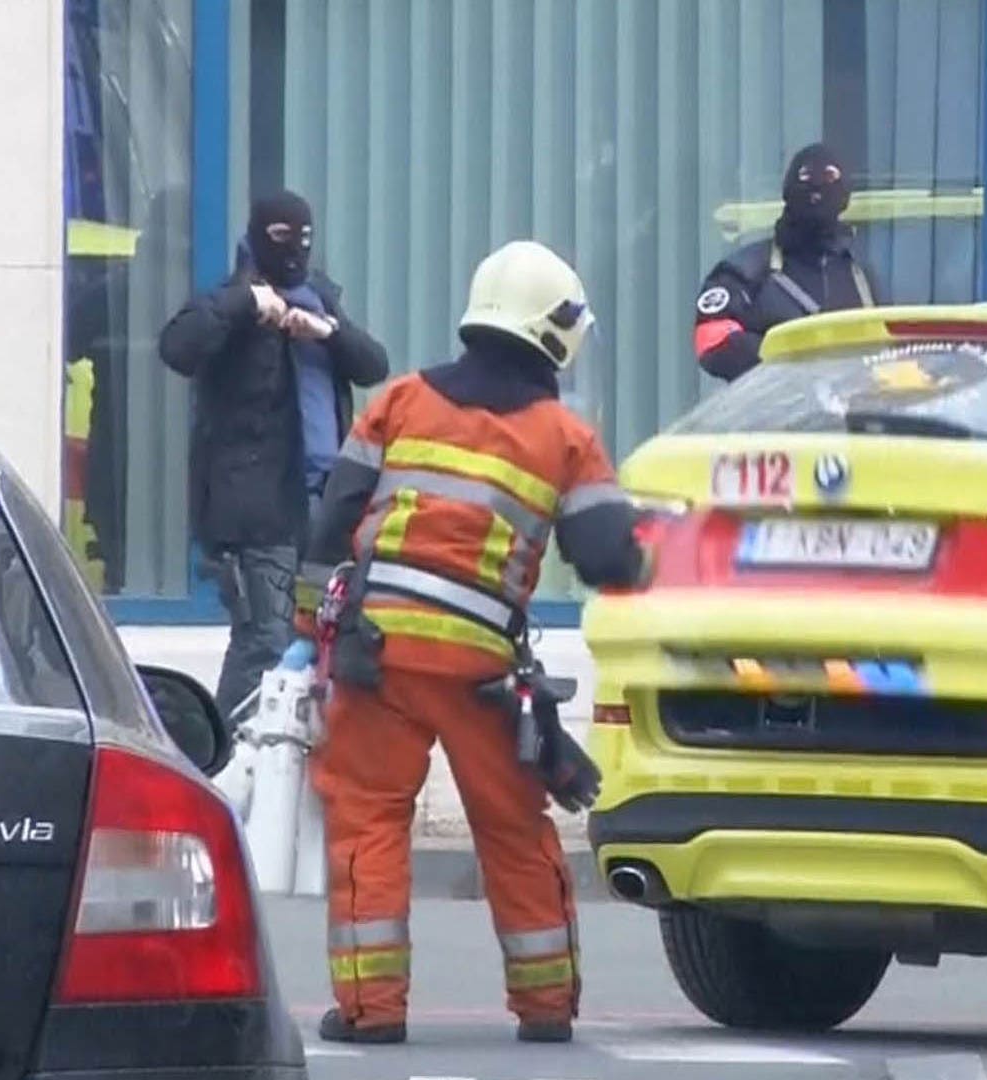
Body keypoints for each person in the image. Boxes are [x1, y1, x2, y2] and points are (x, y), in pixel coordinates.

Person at [298, 240, 649, 1045]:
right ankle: (547, 1006)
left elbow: (331, 520)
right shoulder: (567, 438)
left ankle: (370, 1010)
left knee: (368, 822)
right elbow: (606, 561)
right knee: (515, 829)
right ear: (555, 332)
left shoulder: (398, 400)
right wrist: (651, 549)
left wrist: (310, 638)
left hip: (376, 656)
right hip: (481, 671)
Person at [158, 190, 390, 720]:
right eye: (281, 238)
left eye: (303, 238)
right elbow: (177, 348)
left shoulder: (322, 299)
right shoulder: (230, 302)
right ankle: (218, 764)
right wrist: (249, 303)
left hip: (326, 508)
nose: (295, 250)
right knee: (262, 641)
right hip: (256, 513)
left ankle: (283, 768)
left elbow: (373, 364)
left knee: (320, 641)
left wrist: (325, 332)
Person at [692, 143, 879, 381]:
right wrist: (789, 368)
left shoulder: (859, 277)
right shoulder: (745, 271)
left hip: (847, 414)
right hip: (771, 415)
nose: (818, 188)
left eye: (829, 177)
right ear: (790, 190)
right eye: (807, 177)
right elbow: (711, 340)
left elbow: (888, 354)